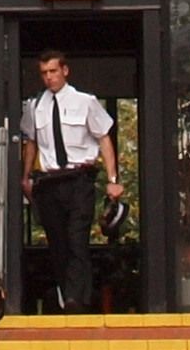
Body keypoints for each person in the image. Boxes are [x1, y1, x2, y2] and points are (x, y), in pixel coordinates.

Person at [15, 51, 121, 312]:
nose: (49, 77)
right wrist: (26, 176)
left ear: (65, 70)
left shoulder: (85, 102)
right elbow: (31, 143)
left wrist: (113, 179)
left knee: (77, 239)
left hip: (78, 179)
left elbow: (104, 139)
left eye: (53, 71)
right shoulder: (34, 106)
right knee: (58, 242)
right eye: (44, 73)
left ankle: (76, 299)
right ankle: (67, 295)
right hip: (49, 182)